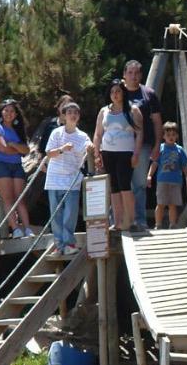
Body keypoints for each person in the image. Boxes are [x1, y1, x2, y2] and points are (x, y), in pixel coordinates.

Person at [43, 101, 92, 255]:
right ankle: (59, 245)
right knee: (55, 214)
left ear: (78, 116)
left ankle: (69, 243)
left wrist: (91, 148)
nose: (72, 115)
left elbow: (89, 150)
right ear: (64, 116)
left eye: (75, 113)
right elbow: (49, 153)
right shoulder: (56, 133)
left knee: (70, 213)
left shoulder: (83, 136)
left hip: (72, 180)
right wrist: (62, 149)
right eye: (69, 112)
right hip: (54, 179)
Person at [93, 80, 143, 231]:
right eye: (112, 92)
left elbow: (140, 133)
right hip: (108, 153)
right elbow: (98, 134)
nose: (115, 94)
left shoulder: (132, 110)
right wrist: (97, 153)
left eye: (118, 91)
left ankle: (131, 220)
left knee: (125, 185)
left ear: (123, 92)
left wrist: (136, 154)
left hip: (125, 153)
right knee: (114, 187)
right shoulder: (104, 111)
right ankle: (118, 221)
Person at [122, 60, 163, 232]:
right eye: (130, 73)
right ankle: (120, 220)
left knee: (139, 183)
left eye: (136, 73)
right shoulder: (118, 93)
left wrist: (156, 145)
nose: (133, 76)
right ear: (124, 75)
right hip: (120, 146)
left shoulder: (148, 94)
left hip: (144, 145)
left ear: (141, 75)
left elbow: (157, 121)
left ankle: (139, 220)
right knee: (121, 184)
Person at [0, 98, 34, 238]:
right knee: (8, 198)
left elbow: (26, 151)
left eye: (12, 111)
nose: (9, 113)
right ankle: (15, 229)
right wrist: (17, 148)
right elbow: (3, 148)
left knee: (20, 198)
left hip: (16, 166)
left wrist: (13, 145)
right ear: (1, 112)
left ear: (16, 114)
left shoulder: (18, 130)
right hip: (0, 165)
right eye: (6, 110)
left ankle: (27, 229)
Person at [149, 121, 187, 228]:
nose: (171, 137)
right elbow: (154, 163)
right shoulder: (161, 148)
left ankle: (172, 224)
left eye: (173, 135)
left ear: (177, 136)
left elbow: (184, 166)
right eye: (168, 135)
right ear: (163, 136)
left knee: (173, 204)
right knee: (161, 204)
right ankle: (158, 224)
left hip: (176, 181)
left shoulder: (180, 150)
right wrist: (149, 176)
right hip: (162, 181)